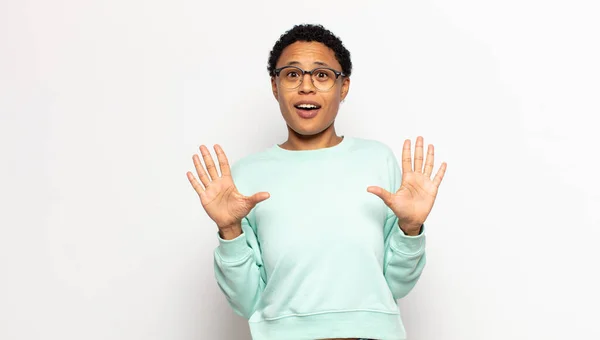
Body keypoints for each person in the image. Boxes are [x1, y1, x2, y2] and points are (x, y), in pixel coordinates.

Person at [187, 24, 447, 340]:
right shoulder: (243, 177)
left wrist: (410, 229)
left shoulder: (378, 161)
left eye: (322, 75)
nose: (306, 87)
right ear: (275, 85)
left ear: (344, 86)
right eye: (292, 74)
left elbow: (395, 286)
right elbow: (247, 302)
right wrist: (229, 232)